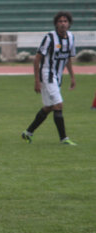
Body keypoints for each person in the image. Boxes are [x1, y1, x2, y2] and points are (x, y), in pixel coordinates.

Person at [21, 12, 77, 145]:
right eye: (60, 21)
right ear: (56, 23)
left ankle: (28, 132)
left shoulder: (71, 37)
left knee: (49, 106)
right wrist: (36, 81)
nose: (63, 23)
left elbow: (68, 58)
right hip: (47, 74)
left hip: (58, 76)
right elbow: (37, 59)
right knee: (58, 104)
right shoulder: (49, 37)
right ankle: (64, 138)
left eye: (65, 21)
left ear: (69, 23)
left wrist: (72, 77)